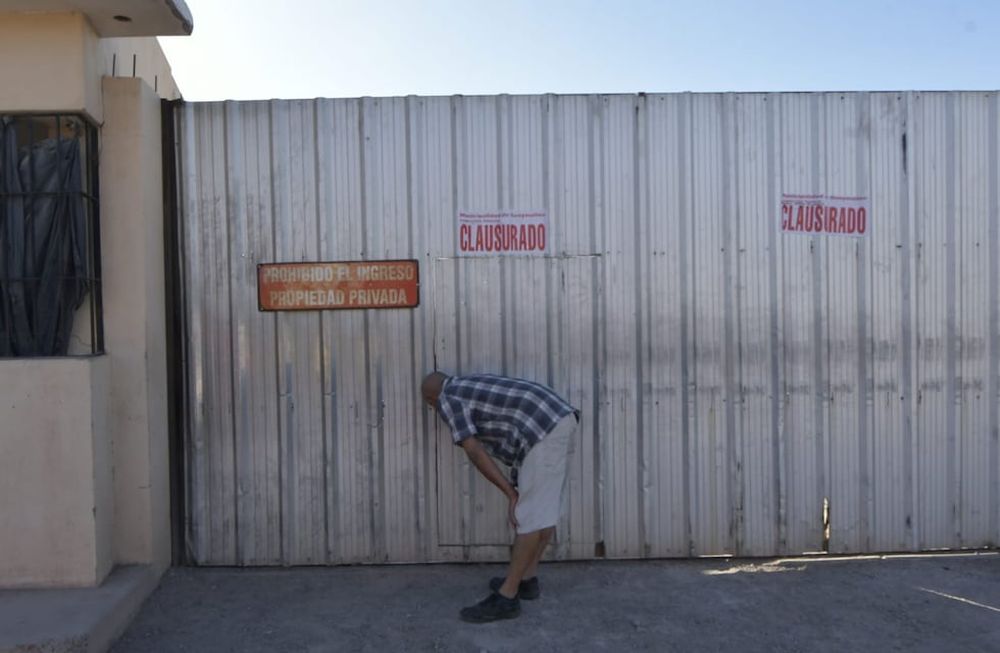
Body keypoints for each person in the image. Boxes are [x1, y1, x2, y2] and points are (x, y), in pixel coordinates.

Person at [421, 371, 579, 623]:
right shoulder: (467, 384)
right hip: (560, 418)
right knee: (543, 509)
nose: (435, 410)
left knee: (528, 517)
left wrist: (510, 493)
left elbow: (474, 451)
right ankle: (527, 580)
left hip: (543, 430)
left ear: (432, 399)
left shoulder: (447, 398)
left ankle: (507, 596)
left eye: (431, 405)